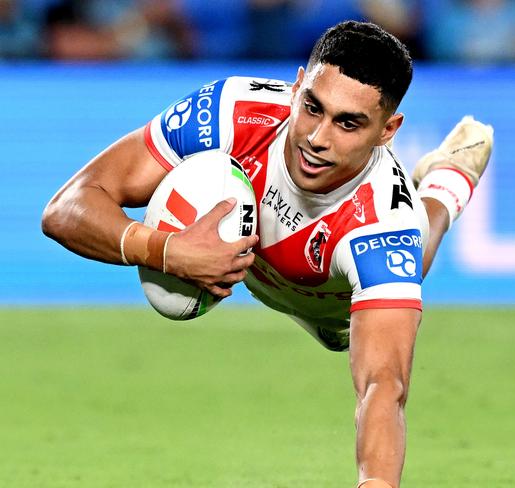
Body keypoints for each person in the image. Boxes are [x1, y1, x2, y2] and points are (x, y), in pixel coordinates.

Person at [42, 21, 492, 488]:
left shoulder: (383, 225)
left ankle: (447, 179)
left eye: (348, 123)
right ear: (297, 86)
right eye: (312, 107)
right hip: (255, 263)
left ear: (387, 131)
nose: (317, 137)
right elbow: (66, 208)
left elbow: (383, 387)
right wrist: (167, 250)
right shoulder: (231, 111)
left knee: (415, 248)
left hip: (329, 299)